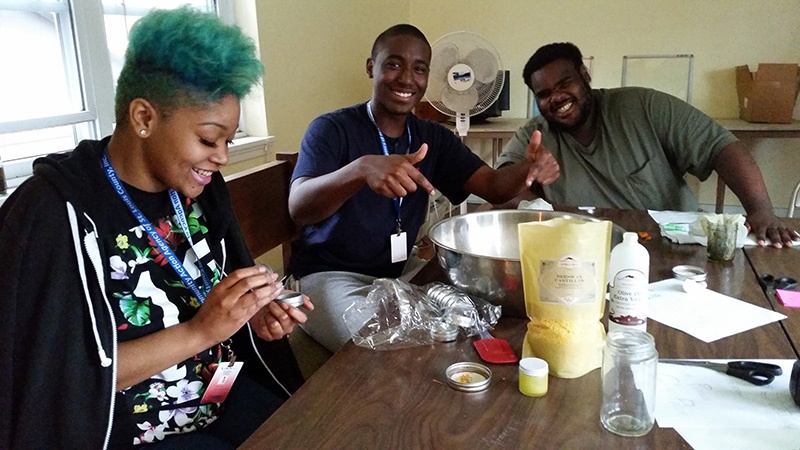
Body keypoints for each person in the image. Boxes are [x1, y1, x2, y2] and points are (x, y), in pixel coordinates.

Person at [0, 7, 313, 449]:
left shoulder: (199, 189)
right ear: (144, 118)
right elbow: (60, 380)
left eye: (228, 139)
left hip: (218, 389)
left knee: (320, 430)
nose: (222, 156)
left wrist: (252, 315)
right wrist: (201, 332)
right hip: (128, 428)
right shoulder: (54, 213)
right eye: (208, 139)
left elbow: (215, 282)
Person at [286, 24, 559, 353]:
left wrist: (528, 169)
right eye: (394, 64)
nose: (406, 79)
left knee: (475, 318)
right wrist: (360, 170)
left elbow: (492, 187)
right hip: (329, 276)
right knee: (373, 347)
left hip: (402, 272)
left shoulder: (433, 137)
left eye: (419, 69)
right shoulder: (331, 129)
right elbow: (299, 207)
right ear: (371, 67)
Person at [496, 42, 798, 248]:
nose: (557, 98)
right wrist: (529, 172)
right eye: (544, 93)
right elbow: (501, 190)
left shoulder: (642, 106)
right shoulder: (536, 134)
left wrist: (761, 211)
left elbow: (721, 147)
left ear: (585, 75)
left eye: (564, 84)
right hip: (584, 250)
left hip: (671, 246)